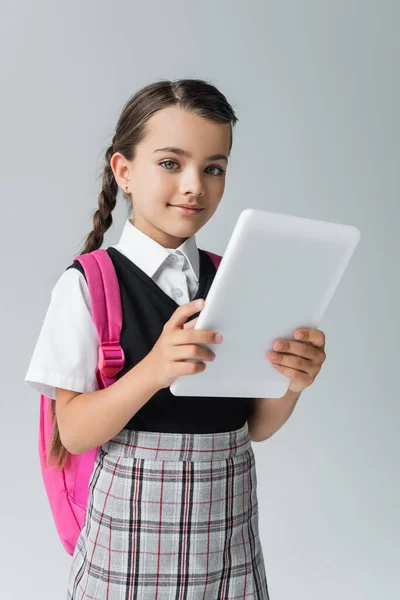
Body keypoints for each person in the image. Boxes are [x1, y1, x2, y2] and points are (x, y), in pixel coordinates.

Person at [25, 78, 270, 599]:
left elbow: (255, 425)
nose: (194, 185)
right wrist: (154, 370)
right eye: (170, 163)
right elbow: (72, 433)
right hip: (129, 543)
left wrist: (291, 380)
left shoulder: (233, 280)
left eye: (214, 168)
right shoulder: (90, 286)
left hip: (229, 539)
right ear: (124, 171)